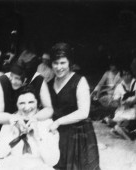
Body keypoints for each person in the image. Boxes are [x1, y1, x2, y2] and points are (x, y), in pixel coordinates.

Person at [0, 62, 53, 170]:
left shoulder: (38, 80)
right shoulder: (2, 81)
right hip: (4, 125)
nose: (13, 81)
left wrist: (34, 118)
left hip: (30, 126)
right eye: (11, 77)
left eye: (17, 78)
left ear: (26, 79)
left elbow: (49, 109)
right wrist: (14, 118)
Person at [48, 42, 100, 170]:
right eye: (55, 63)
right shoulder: (49, 83)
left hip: (77, 134)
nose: (59, 67)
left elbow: (83, 112)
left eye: (62, 63)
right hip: (56, 133)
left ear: (70, 63)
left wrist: (59, 121)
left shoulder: (79, 81)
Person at [0, 87, 59, 170]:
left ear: (37, 103)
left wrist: (37, 136)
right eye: (21, 103)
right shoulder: (11, 122)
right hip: (12, 165)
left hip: (38, 166)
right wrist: (14, 135)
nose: (26, 107)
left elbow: (52, 161)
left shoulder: (47, 124)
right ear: (16, 105)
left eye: (31, 102)